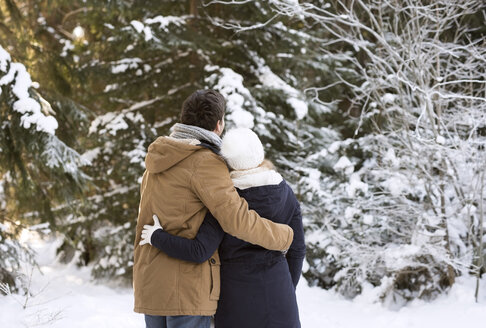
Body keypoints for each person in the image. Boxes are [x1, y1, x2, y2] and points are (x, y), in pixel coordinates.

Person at [133, 90, 294, 328]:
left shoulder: (157, 159)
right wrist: (284, 236)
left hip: (151, 283)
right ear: (218, 125)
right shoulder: (205, 162)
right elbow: (236, 219)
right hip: (187, 290)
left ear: (183, 118)